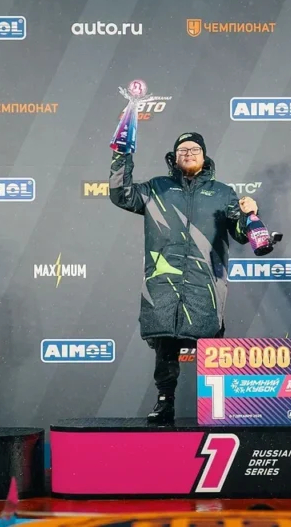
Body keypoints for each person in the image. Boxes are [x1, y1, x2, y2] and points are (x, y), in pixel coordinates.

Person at [110, 131, 257, 424]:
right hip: (164, 282)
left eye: (194, 150)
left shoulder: (223, 193)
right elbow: (120, 194)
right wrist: (122, 154)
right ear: (174, 158)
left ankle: (219, 404)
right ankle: (165, 401)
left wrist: (249, 216)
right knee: (165, 343)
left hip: (206, 284)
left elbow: (240, 235)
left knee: (212, 344)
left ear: (204, 156)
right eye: (182, 150)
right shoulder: (156, 188)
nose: (188, 154)